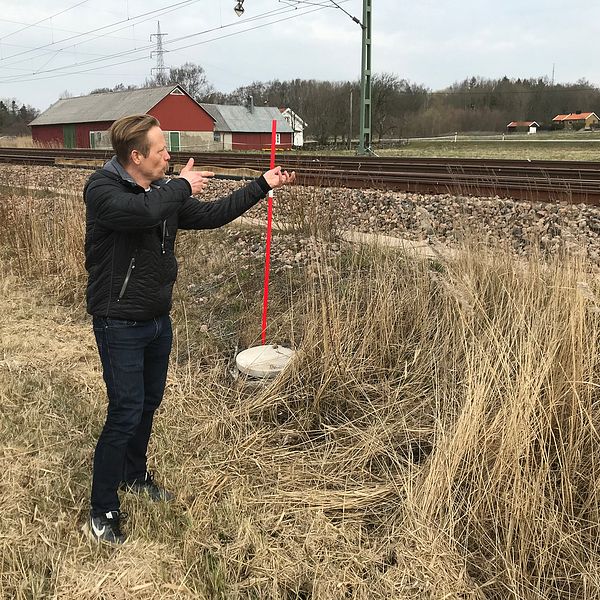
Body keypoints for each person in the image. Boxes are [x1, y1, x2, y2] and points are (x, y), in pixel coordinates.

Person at [83, 114, 295, 544]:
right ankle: (102, 508)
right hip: (119, 321)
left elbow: (212, 214)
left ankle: (134, 474)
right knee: (124, 411)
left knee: (147, 403)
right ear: (135, 156)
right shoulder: (102, 190)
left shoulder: (162, 192)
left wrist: (262, 185)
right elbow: (140, 213)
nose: (168, 154)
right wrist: (181, 184)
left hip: (157, 320)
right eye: (160, 148)